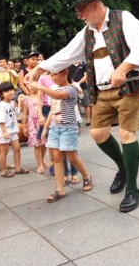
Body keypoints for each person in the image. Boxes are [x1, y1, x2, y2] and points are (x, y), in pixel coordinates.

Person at [26, 0, 139, 212]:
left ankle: (133, 189)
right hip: (103, 90)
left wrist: (123, 69)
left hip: (131, 87)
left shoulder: (124, 19)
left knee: (126, 133)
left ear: (94, 5)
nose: (79, 17)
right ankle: (124, 169)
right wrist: (38, 68)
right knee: (98, 133)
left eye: (81, 12)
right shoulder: (87, 32)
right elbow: (66, 55)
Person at [29, 67, 93, 203]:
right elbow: (53, 109)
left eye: (55, 75)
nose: (52, 78)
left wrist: (40, 86)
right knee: (56, 158)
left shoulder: (71, 89)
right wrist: (46, 127)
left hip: (68, 128)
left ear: (65, 72)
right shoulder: (54, 90)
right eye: (51, 75)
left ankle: (86, 176)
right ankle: (60, 189)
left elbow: (58, 96)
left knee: (71, 157)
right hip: (54, 127)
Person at [0, 82, 29, 177]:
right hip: (4, 131)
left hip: (13, 130)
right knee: (4, 151)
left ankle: (18, 168)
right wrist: (4, 132)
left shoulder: (12, 103)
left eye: (11, 90)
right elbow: (0, 121)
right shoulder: (1, 106)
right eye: (6, 91)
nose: (10, 92)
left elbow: (18, 113)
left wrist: (20, 103)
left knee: (17, 149)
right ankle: (3, 170)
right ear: (2, 94)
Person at [22, 82, 47, 173]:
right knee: (37, 144)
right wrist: (24, 127)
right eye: (29, 85)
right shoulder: (27, 99)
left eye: (33, 85)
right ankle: (39, 164)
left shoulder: (43, 97)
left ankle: (42, 160)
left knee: (44, 143)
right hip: (32, 123)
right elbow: (25, 114)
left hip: (43, 122)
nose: (31, 87)